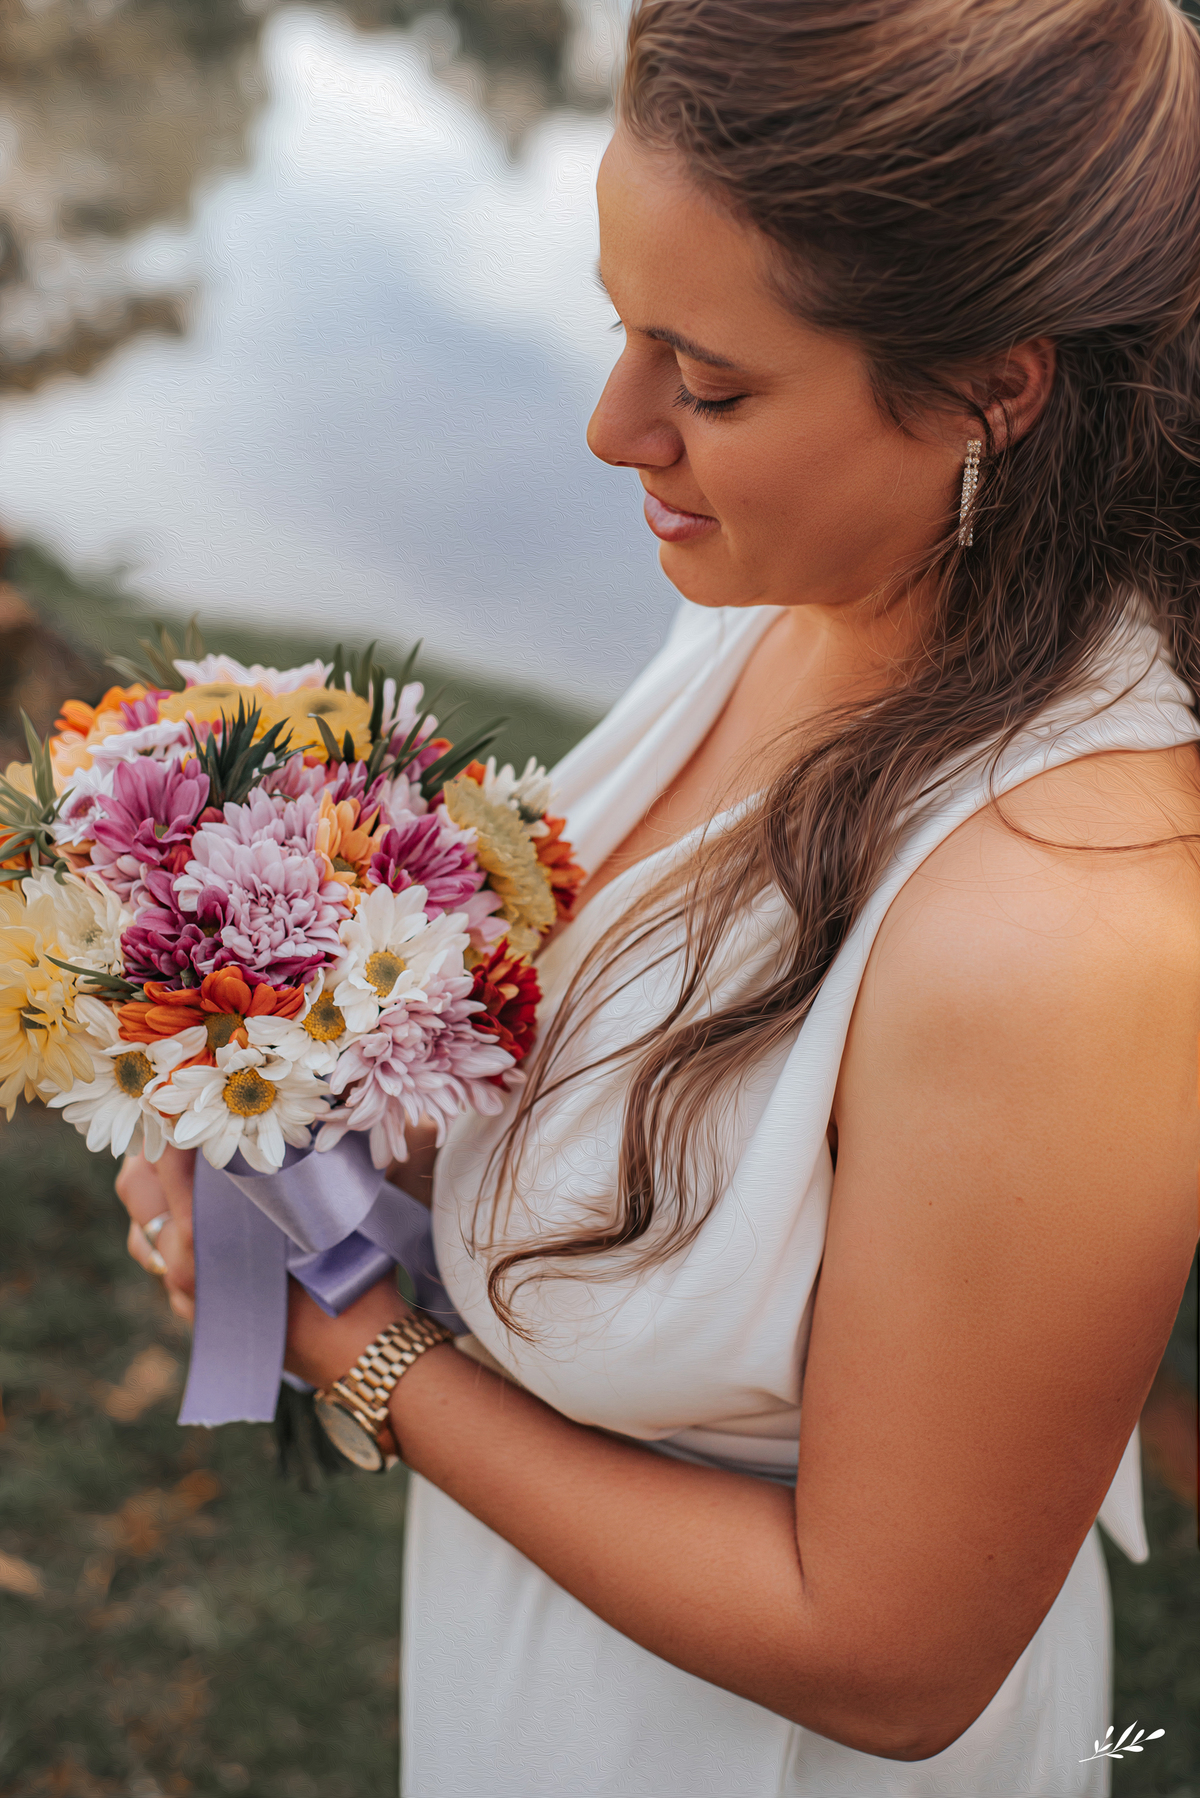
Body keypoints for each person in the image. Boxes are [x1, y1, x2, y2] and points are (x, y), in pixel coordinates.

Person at [116, 1, 1200, 1792]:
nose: (617, 427)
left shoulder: (1065, 931)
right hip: (543, 1676)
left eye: (708, 383)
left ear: (999, 388)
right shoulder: (819, 583)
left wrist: (364, 1351)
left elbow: (892, 1658)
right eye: (624, 326)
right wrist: (304, 1124)